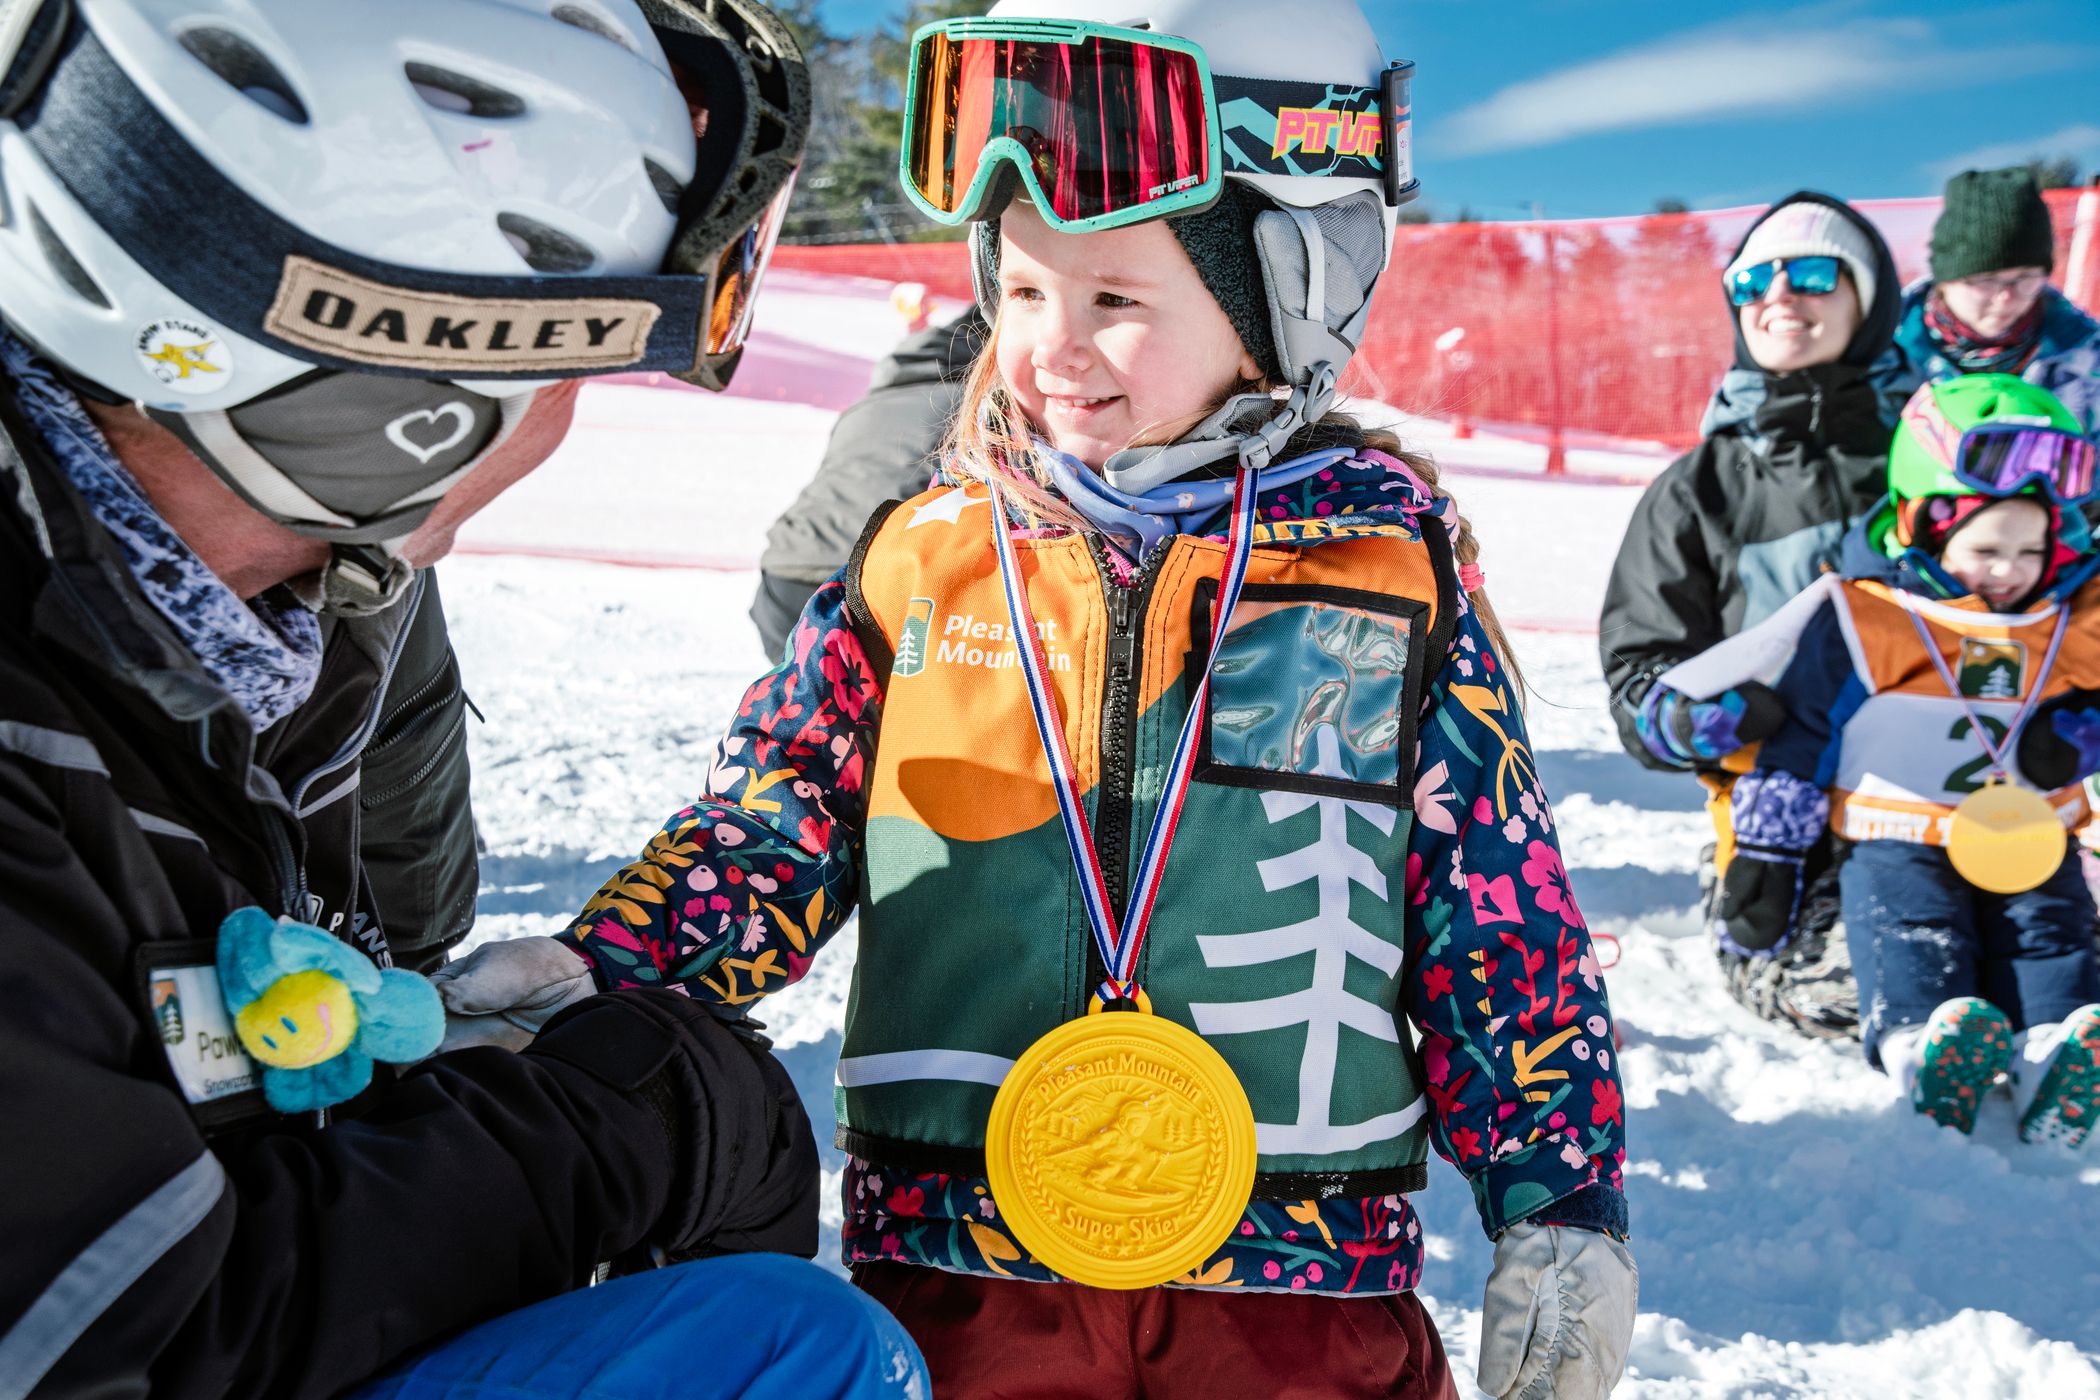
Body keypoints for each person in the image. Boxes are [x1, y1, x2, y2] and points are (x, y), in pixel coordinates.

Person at [440, 1, 1636, 1396]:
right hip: (962, 1265)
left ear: (1287, 295)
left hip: (1293, 1281)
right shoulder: (922, 560)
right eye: (1020, 293)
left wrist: (1560, 1194)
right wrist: (620, 959)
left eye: (1119, 302)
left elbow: (1499, 913)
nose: (1053, 348)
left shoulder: (1389, 579)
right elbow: (775, 820)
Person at [0, 2, 926, 1396]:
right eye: (564, 360)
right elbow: (122, 1343)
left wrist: (438, 1063)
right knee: (790, 1355)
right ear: (410, 399)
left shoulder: (258, 625)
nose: (567, 411)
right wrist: (617, 1127)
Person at [1656, 376, 2100, 1143]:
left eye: (2031, 549)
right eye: (1988, 548)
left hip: (2030, 831)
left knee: (2050, 928)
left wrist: (2078, 734)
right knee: (1911, 930)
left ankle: (2053, 1049)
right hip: (1897, 830)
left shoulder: (2071, 619)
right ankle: (1921, 1048)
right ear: (1925, 525)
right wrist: (1768, 853)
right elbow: (1798, 737)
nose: (2011, 569)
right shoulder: (1870, 618)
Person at [1600, 192, 1902, 1042]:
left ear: (1868, 297)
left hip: (1954, 797)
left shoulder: (1931, 455)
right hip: (1785, 834)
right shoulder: (1699, 490)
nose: (1780, 296)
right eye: (1754, 280)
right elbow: (1640, 678)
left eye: (1813, 274)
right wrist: (1698, 719)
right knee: (1849, 991)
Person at [752, 306, 986, 656]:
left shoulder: (871, 402)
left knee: (798, 705)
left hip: (785, 570)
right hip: (861, 580)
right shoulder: (972, 409)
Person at [1876, 166, 2100, 437]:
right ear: (1945, 280)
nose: (2006, 296)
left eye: (2025, 277)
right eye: (1986, 280)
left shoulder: (2084, 354)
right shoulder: (1883, 351)